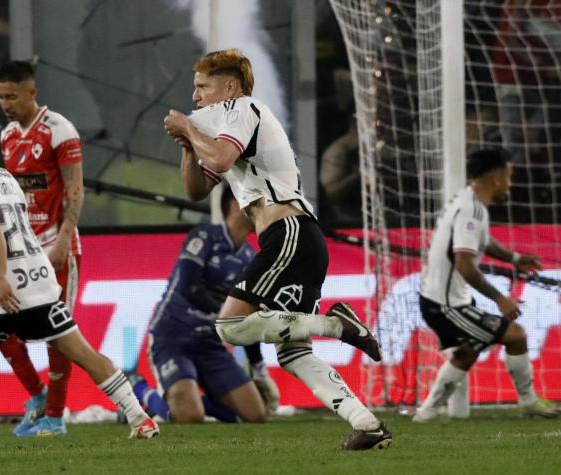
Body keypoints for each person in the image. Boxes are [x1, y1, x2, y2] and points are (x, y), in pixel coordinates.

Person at [163, 48, 392, 450]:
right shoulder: (225, 123)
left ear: (229, 87)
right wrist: (187, 144)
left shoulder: (243, 108)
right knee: (293, 354)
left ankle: (337, 325)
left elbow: (219, 155)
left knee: (230, 327)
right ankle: (368, 426)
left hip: (289, 233)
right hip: (297, 237)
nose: (195, 97)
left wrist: (187, 126)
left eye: (202, 87)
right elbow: (196, 190)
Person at [0, 116, 157, 443]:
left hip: (6, 294)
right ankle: (140, 418)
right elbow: (16, 232)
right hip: (40, 282)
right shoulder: (3, 176)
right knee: (84, 354)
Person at [0, 60, 85, 436]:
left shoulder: (59, 130)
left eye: (12, 96)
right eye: (0, 97)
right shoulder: (9, 136)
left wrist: (63, 238)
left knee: (59, 334)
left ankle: (56, 419)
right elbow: (9, 206)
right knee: (1, 327)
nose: (5, 103)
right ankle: (38, 397)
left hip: (57, 248)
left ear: (32, 92)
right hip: (20, 250)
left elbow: (74, 188)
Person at [412, 148, 561, 422]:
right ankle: (529, 402)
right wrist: (500, 298)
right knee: (515, 335)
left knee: (467, 352)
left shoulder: (469, 201)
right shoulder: (470, 210)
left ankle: (426, 414)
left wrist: (514, 258)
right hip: (445, 305)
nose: (510, 183)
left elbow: (481, 242)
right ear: (497, 178)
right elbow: (464, 263)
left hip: (444, 299)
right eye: (509, 176)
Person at [132, 186, 278, 423]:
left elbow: (247, 317)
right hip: (172, 338)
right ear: (235, 205)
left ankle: (200, 402)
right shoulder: (203, 237)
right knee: (189, 417)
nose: (263, 211)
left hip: (209, 345)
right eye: (257, 204)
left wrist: (259, 367)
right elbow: (190, 288)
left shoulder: (250, 258)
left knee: (256, 415)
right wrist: (226, 313)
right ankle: (139, 389)